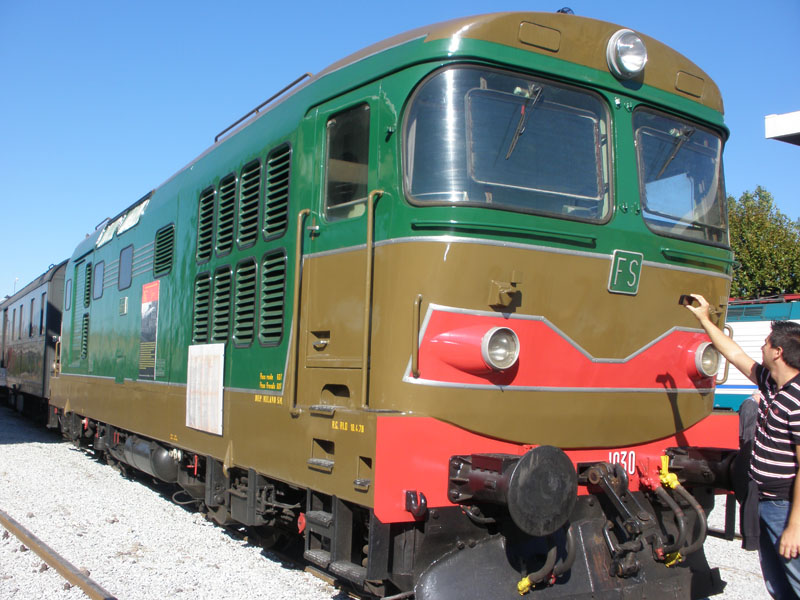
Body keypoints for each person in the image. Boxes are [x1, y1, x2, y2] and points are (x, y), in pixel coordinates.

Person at [686, 293, 800, 599]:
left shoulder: (797, 399)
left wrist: (795, 526)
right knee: (778, 584)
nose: (760, 347)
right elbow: (734, 354)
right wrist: (704, 320)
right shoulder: (771, 384)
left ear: (777, 352)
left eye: (765, 343)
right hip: (766, 502)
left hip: (785, 506)